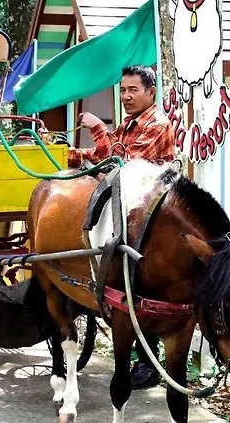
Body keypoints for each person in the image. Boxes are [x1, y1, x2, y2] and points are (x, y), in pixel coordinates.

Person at [71, 65, 176, 389]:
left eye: (133, 90)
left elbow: (124, 163)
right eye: (123, 90)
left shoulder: (157, 124)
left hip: (154, 220)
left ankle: (149, 362)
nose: (126, 96)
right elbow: (105, 153)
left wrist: (97, 127)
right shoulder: (130, 123)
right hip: (129, 212)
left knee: (140, 282)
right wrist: (70, 154)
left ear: (151, 92)